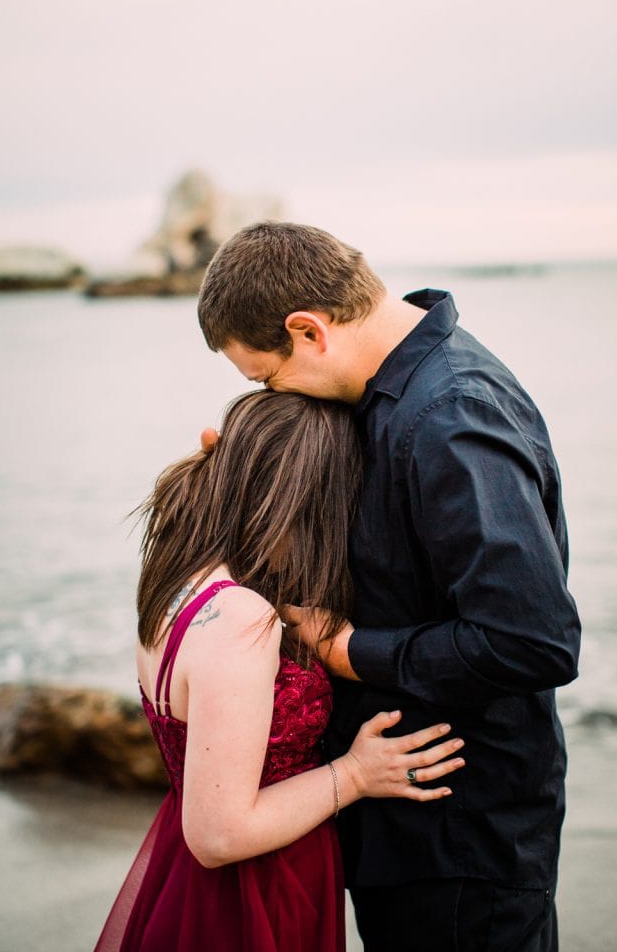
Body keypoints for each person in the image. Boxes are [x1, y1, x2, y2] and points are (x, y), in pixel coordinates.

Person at [197, 222, 582, 952]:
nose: (275, 397)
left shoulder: (448, 416)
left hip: (457, 830)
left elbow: (532, 643)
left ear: (308, 331)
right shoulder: (387, 395)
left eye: (266, 379)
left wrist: (348, 653)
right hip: (399, 818)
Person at [94, 390, 465, 952]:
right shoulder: (240, 618)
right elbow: (219, 835)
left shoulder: (176, 575)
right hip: (251, 889)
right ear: (303, 502)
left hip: (195, 871)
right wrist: (357, 775)